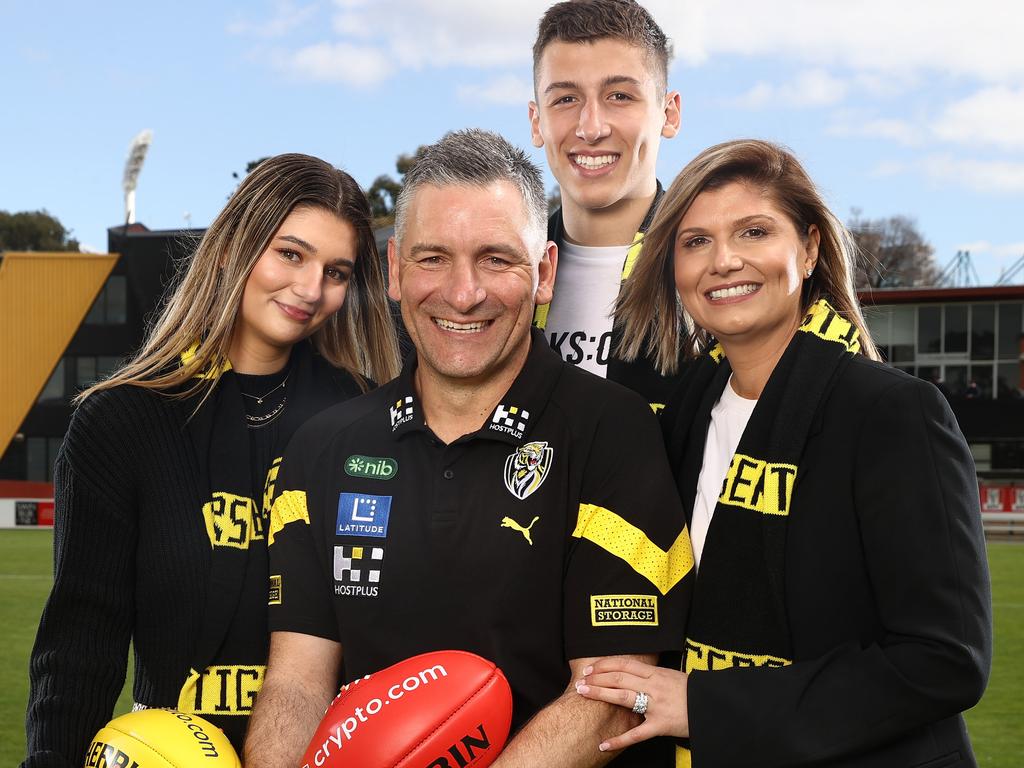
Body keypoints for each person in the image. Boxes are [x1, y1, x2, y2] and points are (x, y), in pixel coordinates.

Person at [244, 129, 693, 767]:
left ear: (544, 273)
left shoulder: (613, 432)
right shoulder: (322, 449)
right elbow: (297, 681)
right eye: (432, 259)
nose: (462, 293)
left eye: (495, 259)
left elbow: (611, 691)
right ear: (395, 271)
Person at [576, 139, 992, 767]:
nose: (724, 261)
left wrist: (706, 704)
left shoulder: (892, 414)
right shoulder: (681, 415)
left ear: (810, 247)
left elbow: (945, 659)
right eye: (695, 242)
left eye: (753, 231)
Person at [23, 153, 400, 765]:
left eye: (335, 271)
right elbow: (79, 647)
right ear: (230, 249)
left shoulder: (367, 421)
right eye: (290, 254)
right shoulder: (119, 422)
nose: (310, 290)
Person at [529, 0, 682, 408]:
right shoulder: (502, 275)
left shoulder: (713, 274)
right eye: (565, 99)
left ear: (669, 114)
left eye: (619, 95)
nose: (591, 128)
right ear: (536, 121)